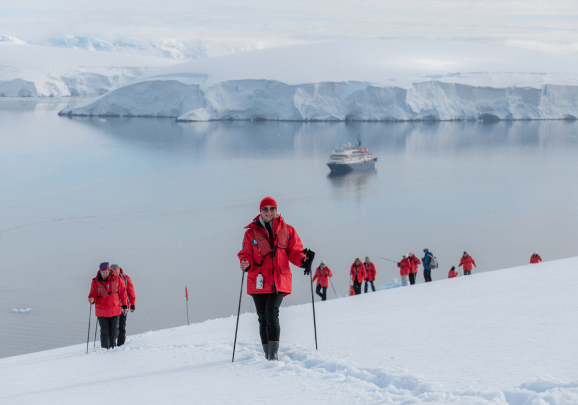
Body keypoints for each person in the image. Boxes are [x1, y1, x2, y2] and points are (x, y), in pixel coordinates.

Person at [238, 197, 314, 361]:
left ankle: (273, 356)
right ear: (260, 211)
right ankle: (267, 353)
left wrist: (303, 261)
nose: (269, 212)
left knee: (271, 313)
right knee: (262, 317)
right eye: (265, 209)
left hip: (279, 279)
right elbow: (245, 253)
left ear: (276, 210)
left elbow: (295, 252)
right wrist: (245, 263)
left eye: (272, 208)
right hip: (258, 280)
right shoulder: (250, 233)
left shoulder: (287, 230)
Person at [88, 262, 128, 349]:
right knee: (104, 332)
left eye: (106, 272)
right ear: (100, 271)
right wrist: (91, 299)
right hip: (102, 311)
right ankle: (105, 349)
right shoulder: (95, 281)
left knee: (114, 331)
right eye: (103, 272)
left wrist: (125, 306)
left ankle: (112, 349)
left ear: (109, 270)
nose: (105, 274)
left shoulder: (117, 279)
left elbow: (123, 294)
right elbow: (92, 294)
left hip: (115, 310)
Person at [110, 264, 136, 347]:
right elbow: (131, 291)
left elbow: (131, 291)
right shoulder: (125, 278)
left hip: (119, 306)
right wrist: (132, 304)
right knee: (119, 326)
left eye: (116, 273)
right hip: (118, 306)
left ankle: (117, 345)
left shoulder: (125, 278)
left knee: (117, 326)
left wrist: (132, 303)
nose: (115, 275)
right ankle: (117, 345)